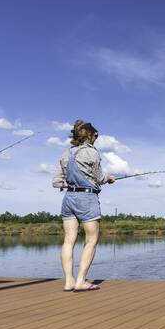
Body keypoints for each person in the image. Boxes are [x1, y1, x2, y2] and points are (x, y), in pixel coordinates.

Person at [52, 120, 115, 292]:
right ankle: (80, 281)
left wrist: (71, 184)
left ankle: (68, 281)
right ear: (89, 135)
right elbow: (100, 177)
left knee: (68, 240)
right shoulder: (91, 153)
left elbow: (56, 182)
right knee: (91, 240)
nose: (96, 138)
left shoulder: (66, 153)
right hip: (87, 198)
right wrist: (109, 178)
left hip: (68, 198)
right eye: (95, 135)